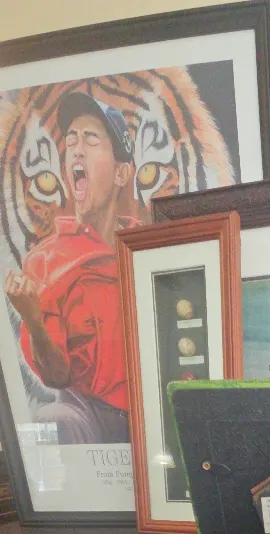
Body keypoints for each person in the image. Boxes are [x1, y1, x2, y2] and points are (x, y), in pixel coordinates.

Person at [4, 91, 139, 445]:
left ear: (122, 172)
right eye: (71, 140)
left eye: (91, 140)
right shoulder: (44, 260)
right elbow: (57, 376)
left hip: (147, 409)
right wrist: (33, 320)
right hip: (86, 415)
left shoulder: (146, 246)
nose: (77, 150)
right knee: (55, 418)